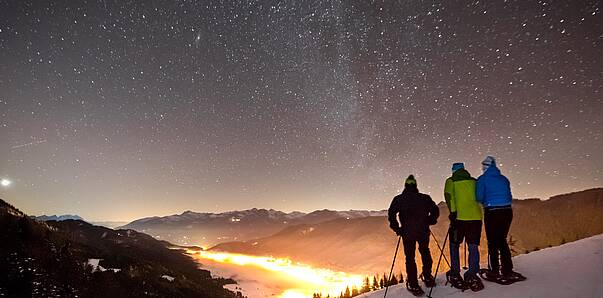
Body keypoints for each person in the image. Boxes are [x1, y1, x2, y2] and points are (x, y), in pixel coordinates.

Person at [388, 175, 439, 295]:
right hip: (423, 231)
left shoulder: (399, 199)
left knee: (410, 258)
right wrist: (430, 221)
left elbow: (391, 214)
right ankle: (427, 276)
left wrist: (397, 229)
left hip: (407, 233)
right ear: (416, 186)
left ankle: (413, 283)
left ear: (405, 186)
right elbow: (435, 210)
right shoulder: (425, 198)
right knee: (425, 252)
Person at [477, 156, 524, 283]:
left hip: (492, 211)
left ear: (485, 166)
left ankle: (494, 270)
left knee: (492, 242)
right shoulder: (504, 179)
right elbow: (509, 196)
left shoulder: (482, 179)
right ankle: (507, 269)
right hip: (507, 211)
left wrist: (487, 201)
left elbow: (479, 197)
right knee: (502, 240)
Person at [444, 163, 484, 291]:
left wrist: (453, 213)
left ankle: (455, 273)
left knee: (454, 245)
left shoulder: (450, 181)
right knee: (473, 246)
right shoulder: (474, 181)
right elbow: (480, 197)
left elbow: (448, 197)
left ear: (453, 171)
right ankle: (472, 274)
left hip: (459, 219)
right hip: (476, 218)